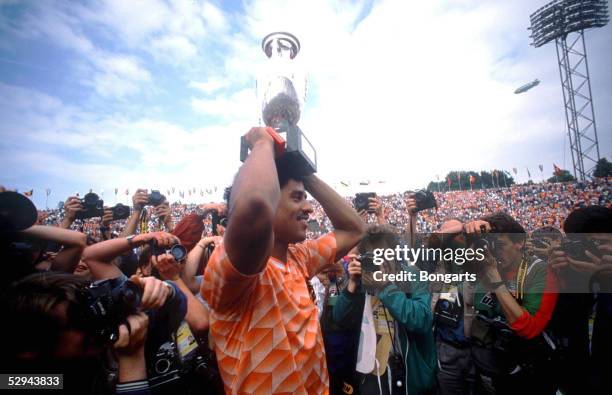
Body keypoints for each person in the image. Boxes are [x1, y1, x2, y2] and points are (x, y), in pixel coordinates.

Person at [201, 126, 365, 394]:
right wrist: (262, 143)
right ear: (272, 201)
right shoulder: (239, 270)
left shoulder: (299, 257)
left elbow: (354, 229)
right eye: (297, 198)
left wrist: (303, 173)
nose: (310, 208)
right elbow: (253, 208)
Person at [332, 225, 436, 395]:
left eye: (383, 254)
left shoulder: (413, 275)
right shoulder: (361, 280)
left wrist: (386, 286)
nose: (379, 260)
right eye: (372, 256)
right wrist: (352, 285)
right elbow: (339, 319)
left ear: (394, 253)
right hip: (370, 370)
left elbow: (421, 320)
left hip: (408, 370)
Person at [468, 213, 559, 394]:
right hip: (488, 363)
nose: (494, 252)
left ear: (519, 242)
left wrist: (494, 276)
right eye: (491, 245)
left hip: (527, 371)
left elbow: (529, 328)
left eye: (499, 245)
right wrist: (469, 230)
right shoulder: (484, 264)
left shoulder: (539, 271)